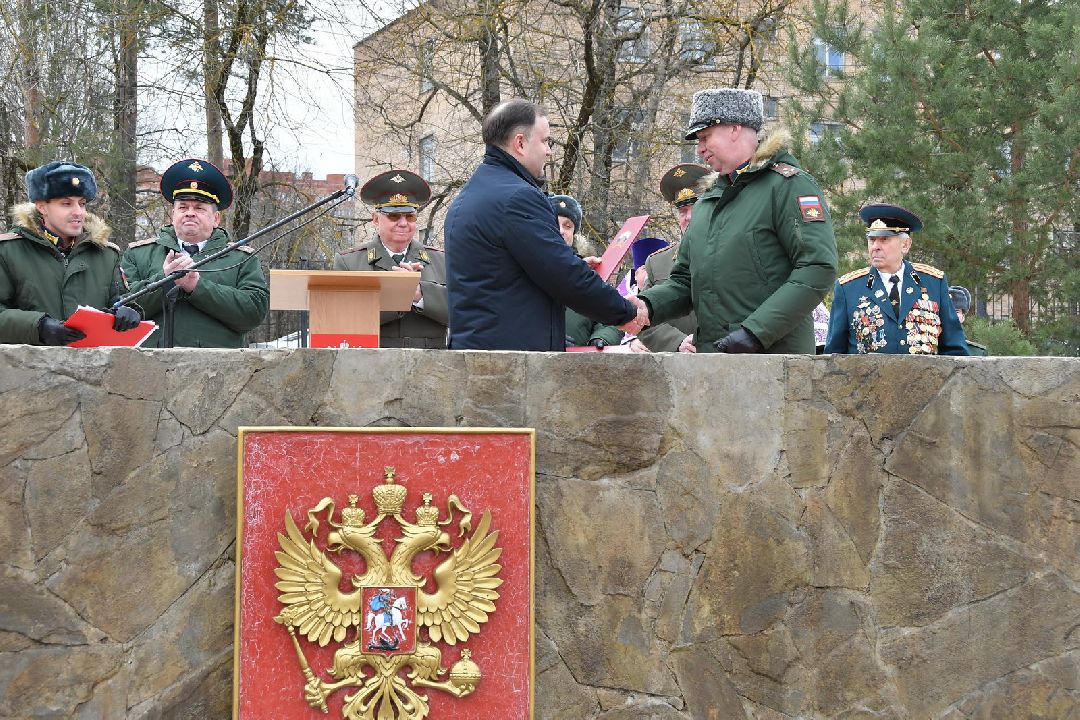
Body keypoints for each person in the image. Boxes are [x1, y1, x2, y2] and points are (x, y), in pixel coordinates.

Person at [638, 89, 838, 353]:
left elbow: (818, 266)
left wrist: (756, 332)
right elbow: (685, 281)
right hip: (714, 362)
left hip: (775, 362)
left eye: (705, 137)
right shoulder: (709, 202)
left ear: (734, 128)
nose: (699, 149)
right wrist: (645, 306)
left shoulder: (788, 186)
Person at [444, 99, 647, 350]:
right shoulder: (517, 197)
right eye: (545, 141)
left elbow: (500, 274)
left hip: (479, 350)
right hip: (511, 360)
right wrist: (625, 312)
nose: (549, 151)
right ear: (520, 143)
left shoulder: (469, 196)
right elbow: (563, 274)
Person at [122, 159, 269, 348]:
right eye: (183, 207)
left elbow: (253, 313)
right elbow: (120, 307)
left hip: (217, 370)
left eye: (199, 208)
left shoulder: (241, 258)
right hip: (150, 369)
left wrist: (197, 287)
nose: (190, 213)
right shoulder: (138, 254)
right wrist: (165, 281)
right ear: (172, 214)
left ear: (216, 218)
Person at [0, 161, 140, 345]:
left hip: (95, 369)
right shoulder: (8, 251)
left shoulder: (106, 255)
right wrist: (38, 327)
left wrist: (129, 311)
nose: (78, 212)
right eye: (66, 204)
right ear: (42, 207)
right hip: (28, 369)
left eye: (82, 204)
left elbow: (120, 301)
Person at [825, 203, 969, 355]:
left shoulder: (933, 282)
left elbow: (955, 349)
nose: (875, 246)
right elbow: (834, 355)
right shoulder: (848, 288)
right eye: (872, 240)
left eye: (884, 239)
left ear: (905, 245)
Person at [333, 170, 448, 348]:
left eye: (410, 216)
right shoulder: (349, 262)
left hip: (431, 368)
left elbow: (462, 314)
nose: (403, 223)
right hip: (373, 366)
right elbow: (343, 316)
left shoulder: (441, 260)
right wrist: (399, 294)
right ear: (376, 219)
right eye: (394, 216)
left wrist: (419, 294)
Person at [634, 163, 709, 353]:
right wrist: (678, 342)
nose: (689, 217)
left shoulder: (734, 252)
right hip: (675, 368)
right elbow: (644, 320)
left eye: (696, 207)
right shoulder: (657, 263)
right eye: (682, 211)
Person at [548, 194, 623, 348]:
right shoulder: (526, 268)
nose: (561, 231)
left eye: (567, 226)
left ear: (573, 234)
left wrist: (600, 340)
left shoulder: (589, 274)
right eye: (554, 223)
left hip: (581, 364)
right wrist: (546, 337)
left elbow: (610, 319)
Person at [948, 285, 988, 355]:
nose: (952, 315)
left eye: (957, 311)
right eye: (948, 311)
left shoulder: (977, 352)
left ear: (963, 317)